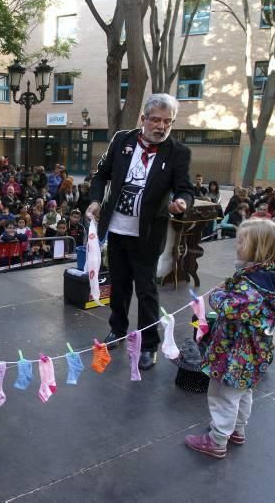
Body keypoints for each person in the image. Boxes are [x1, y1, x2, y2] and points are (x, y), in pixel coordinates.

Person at [86, 93, 195, 370]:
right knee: (119, 284)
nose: (161, 126)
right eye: (156, 120)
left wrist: (182, 202)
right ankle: (118, 329)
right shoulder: (122, 140)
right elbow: (101, 174)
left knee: (146, 290)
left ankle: (149, 345)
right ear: (143, 119)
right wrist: (96, 200)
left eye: (167, 122)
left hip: (148, 232)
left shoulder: (178, 152)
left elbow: (185, 187)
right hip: (118, 228)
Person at [184, 219, 275, 458]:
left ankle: (216, 440)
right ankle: (237, 430)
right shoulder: (269, 280)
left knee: (222, 395)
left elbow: (230, 309)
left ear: (259, 248)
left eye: (242, 241)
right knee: (243, 392)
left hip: (234, 353)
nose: (237, 245)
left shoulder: (251, 286)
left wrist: (219, 294)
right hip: (252, 353)